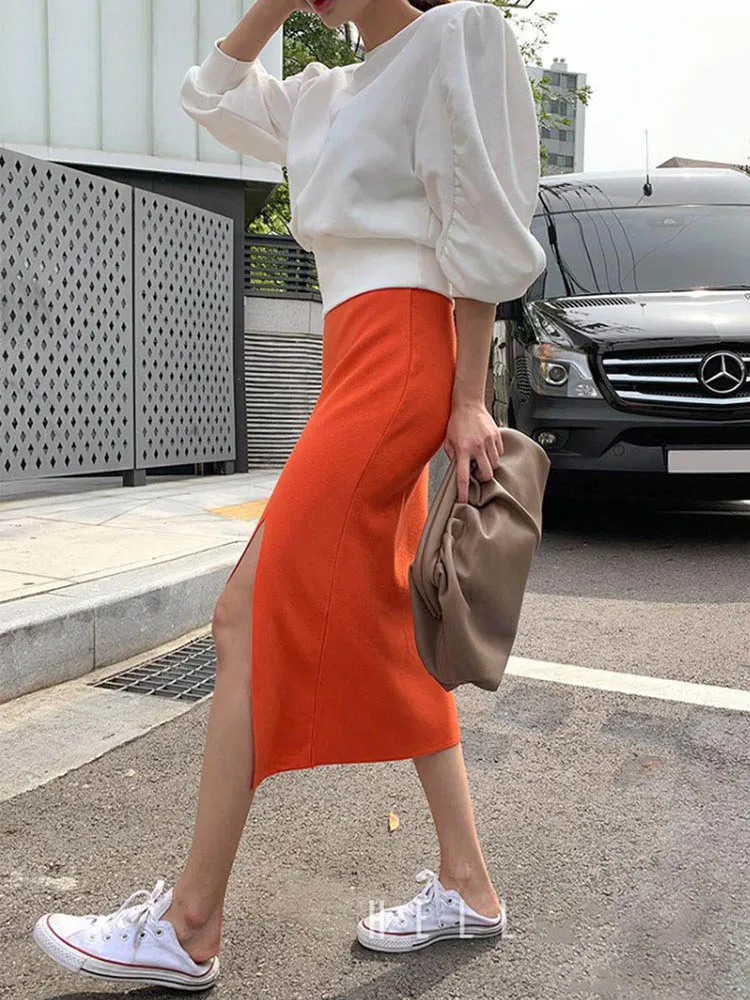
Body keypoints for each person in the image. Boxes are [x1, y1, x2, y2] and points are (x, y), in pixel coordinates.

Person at [32, 0, 546, 989]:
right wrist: (267, 9)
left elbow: (479, 218)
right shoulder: (321, 95)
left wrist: (469, 395)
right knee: (392, 622)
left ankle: (189, 923)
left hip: (404, 353)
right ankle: (469, 882)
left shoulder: (455, 35)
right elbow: (206, 96)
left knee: (244, 615)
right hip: (351, 357)